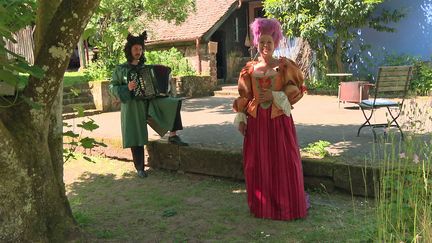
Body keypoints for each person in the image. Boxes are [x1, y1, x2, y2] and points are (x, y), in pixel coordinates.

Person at [233, 18, 308, 220]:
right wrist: (241, 117)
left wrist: (274, 96)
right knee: (258, 164)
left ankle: (285, 207)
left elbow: (298, 91)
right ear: (257, 41)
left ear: (275, 42)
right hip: (257, 123)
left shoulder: (284, 66)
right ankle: (262, 207)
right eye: (262, 41)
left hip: (278, 122)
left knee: (283, 162)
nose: (265, 46)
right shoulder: (249, 69)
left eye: (269, 42)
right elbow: (245, 96)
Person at [110, 32, 188, 178]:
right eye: (135, 49)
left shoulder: (146, 68)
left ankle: (173, 135)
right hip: (132, 106)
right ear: (129, 51)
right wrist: (127, 88)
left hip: (149, 101)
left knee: (173, 103)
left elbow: (153, 85)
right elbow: (112, 88)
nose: (138, 52)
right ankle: (140, 168)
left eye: (140, 49)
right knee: (136, 135)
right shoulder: (121, 69)